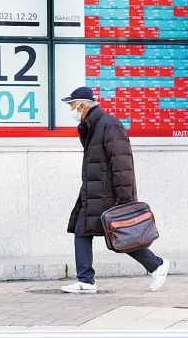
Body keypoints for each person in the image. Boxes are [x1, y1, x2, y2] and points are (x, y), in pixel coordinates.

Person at [60, 86, 170, 294]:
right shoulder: (91, 126)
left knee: (122, 235)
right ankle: (86, 281)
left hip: (108, 194)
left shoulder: (109, 126)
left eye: (72, 105)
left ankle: (157, 264)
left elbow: (122, 164)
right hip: (93, 191)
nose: (71, 109)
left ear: (82, 105)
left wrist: (125, 200)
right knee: (81, 230)